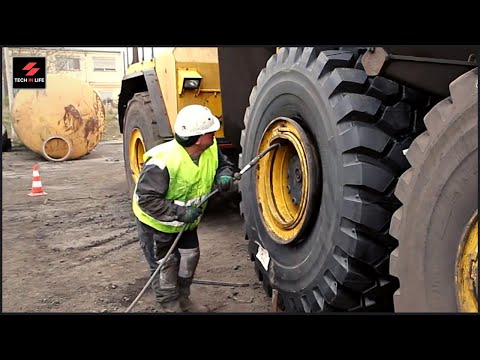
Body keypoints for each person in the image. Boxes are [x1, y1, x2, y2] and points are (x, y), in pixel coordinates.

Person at [132, 104, 237, 312]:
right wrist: (181, 213)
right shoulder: (163, 162)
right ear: (198, 138)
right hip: (158, 224)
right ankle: (170, 305)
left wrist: (223, 174)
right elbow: (147, 199)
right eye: (211, 132)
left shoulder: (210, 147)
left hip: (187, 223)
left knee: (190, 257)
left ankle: (184, 299)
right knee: (165, 266)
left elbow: (222, 164)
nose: (215, 134)